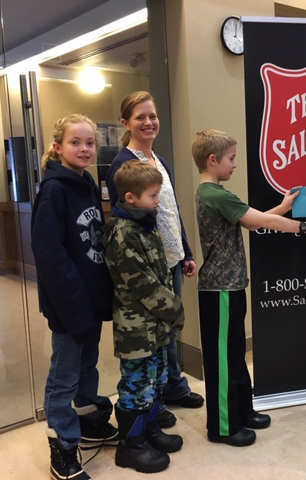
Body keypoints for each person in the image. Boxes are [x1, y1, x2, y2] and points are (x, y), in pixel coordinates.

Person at [191, 129, 306, 447]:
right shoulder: (215, 194)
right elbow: (262, 223)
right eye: (231, 159)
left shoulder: (215, 194)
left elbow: (254, 220)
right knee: (224, 361)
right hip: (220, 290)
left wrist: (283, 207)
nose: (234, 165)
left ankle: (242, 410)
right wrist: (305, 227)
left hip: (231, 287)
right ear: (213, 160)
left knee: (235, 354)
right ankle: (223, 427)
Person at [106, 91, 204, 431]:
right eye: (140, 117)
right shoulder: (124, 164)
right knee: (159, 328)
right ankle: (159, 396)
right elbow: (134, 218)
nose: (148, 122)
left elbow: (171, 212)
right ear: (126, 123)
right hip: (148, 263)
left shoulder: (159, 160)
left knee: (167, 332)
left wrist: (186, 252)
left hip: (172, 258)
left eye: (152, 116)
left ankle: (169, 388)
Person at [31, 114, 117, 480]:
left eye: (89, 143)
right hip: (69, 307)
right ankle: (63, 448)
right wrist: (75, 308)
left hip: (92, 301)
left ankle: (85, 424)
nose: (84, 149)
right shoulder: (54, 190)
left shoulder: (86, 184)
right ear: (58, 146)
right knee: (63, 377)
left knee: (87, 368)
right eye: (75, 142)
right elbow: (51, 257)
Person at [102, 160, 185, 473]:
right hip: (137, 329)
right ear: (130, 198)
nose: (158, 201)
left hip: (155, 327)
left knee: (155, 379)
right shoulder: (122, 234)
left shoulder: (144, 227)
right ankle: (131, 446)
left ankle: (150, 431)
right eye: (153, 196)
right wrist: (175, 309)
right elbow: (144, 285)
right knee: (136, 385)